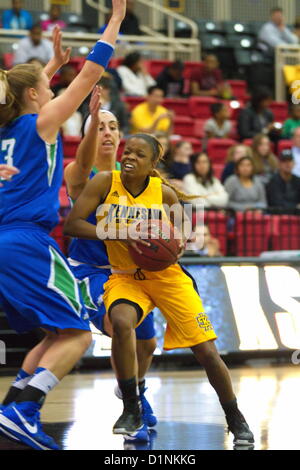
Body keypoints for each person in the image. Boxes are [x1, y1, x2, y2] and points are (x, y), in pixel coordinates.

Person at [64, 133, 254, 447]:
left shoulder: (164, 195)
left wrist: (172, 244)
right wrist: (122, 232)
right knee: (122, 322)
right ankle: (130, 407)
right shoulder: (103, 183)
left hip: (167, 278)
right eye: (128, 151)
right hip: (125, 276)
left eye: (139, 155)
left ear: (152, 164)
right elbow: (72, 226)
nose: (129, 157)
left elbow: (180, 242)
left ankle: (236, 418)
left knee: (207, 351)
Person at [0, 0, 127, 450]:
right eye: (47, 87)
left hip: (6, 242)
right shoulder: (40, 123)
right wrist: (113, 22)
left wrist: (50, 65)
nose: (53, 93)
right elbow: (90, 75)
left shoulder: (8, 129)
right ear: (35, 96)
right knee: (76, 334)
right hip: (26, 240)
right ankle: (22, 411)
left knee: (56, 332)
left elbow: (25, 93)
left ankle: (11, 405)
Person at [64, 95, 157, 439]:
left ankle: (134, 388)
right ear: (88, 135)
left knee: (148, 345)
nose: (107, 132)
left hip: (126, 271)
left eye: (113, 127)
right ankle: (131, 408)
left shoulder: (130, 176)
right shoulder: (80, 173)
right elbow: (84, 158)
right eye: (99, 127)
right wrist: (90, 123)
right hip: (88, 269)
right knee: (120, 326)